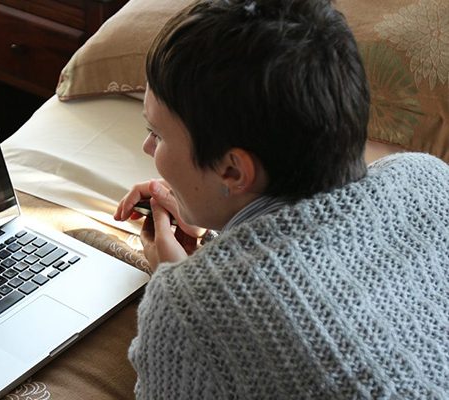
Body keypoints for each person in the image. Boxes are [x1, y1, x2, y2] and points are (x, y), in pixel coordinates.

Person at [113, 0, 449, 398]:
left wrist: (183, 289)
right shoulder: (428, 176)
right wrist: (210, 256)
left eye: (158, 132)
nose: (148, 147)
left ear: (233, 171)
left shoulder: (188, 309)